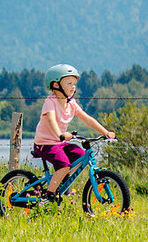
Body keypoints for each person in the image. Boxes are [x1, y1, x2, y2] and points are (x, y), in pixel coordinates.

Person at [32, 63, 115, 199]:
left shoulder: (71, 103)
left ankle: (63, 182)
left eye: (74, 84)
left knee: (80, 156)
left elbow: (87, 119)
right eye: (69, 83)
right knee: (64, 165)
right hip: (45, 143)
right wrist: (60, 134)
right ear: (56, 85)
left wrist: (105, 132)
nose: (73, 87)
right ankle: (49, 195)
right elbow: (52, 120)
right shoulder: (50, 102)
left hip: (60, 142)